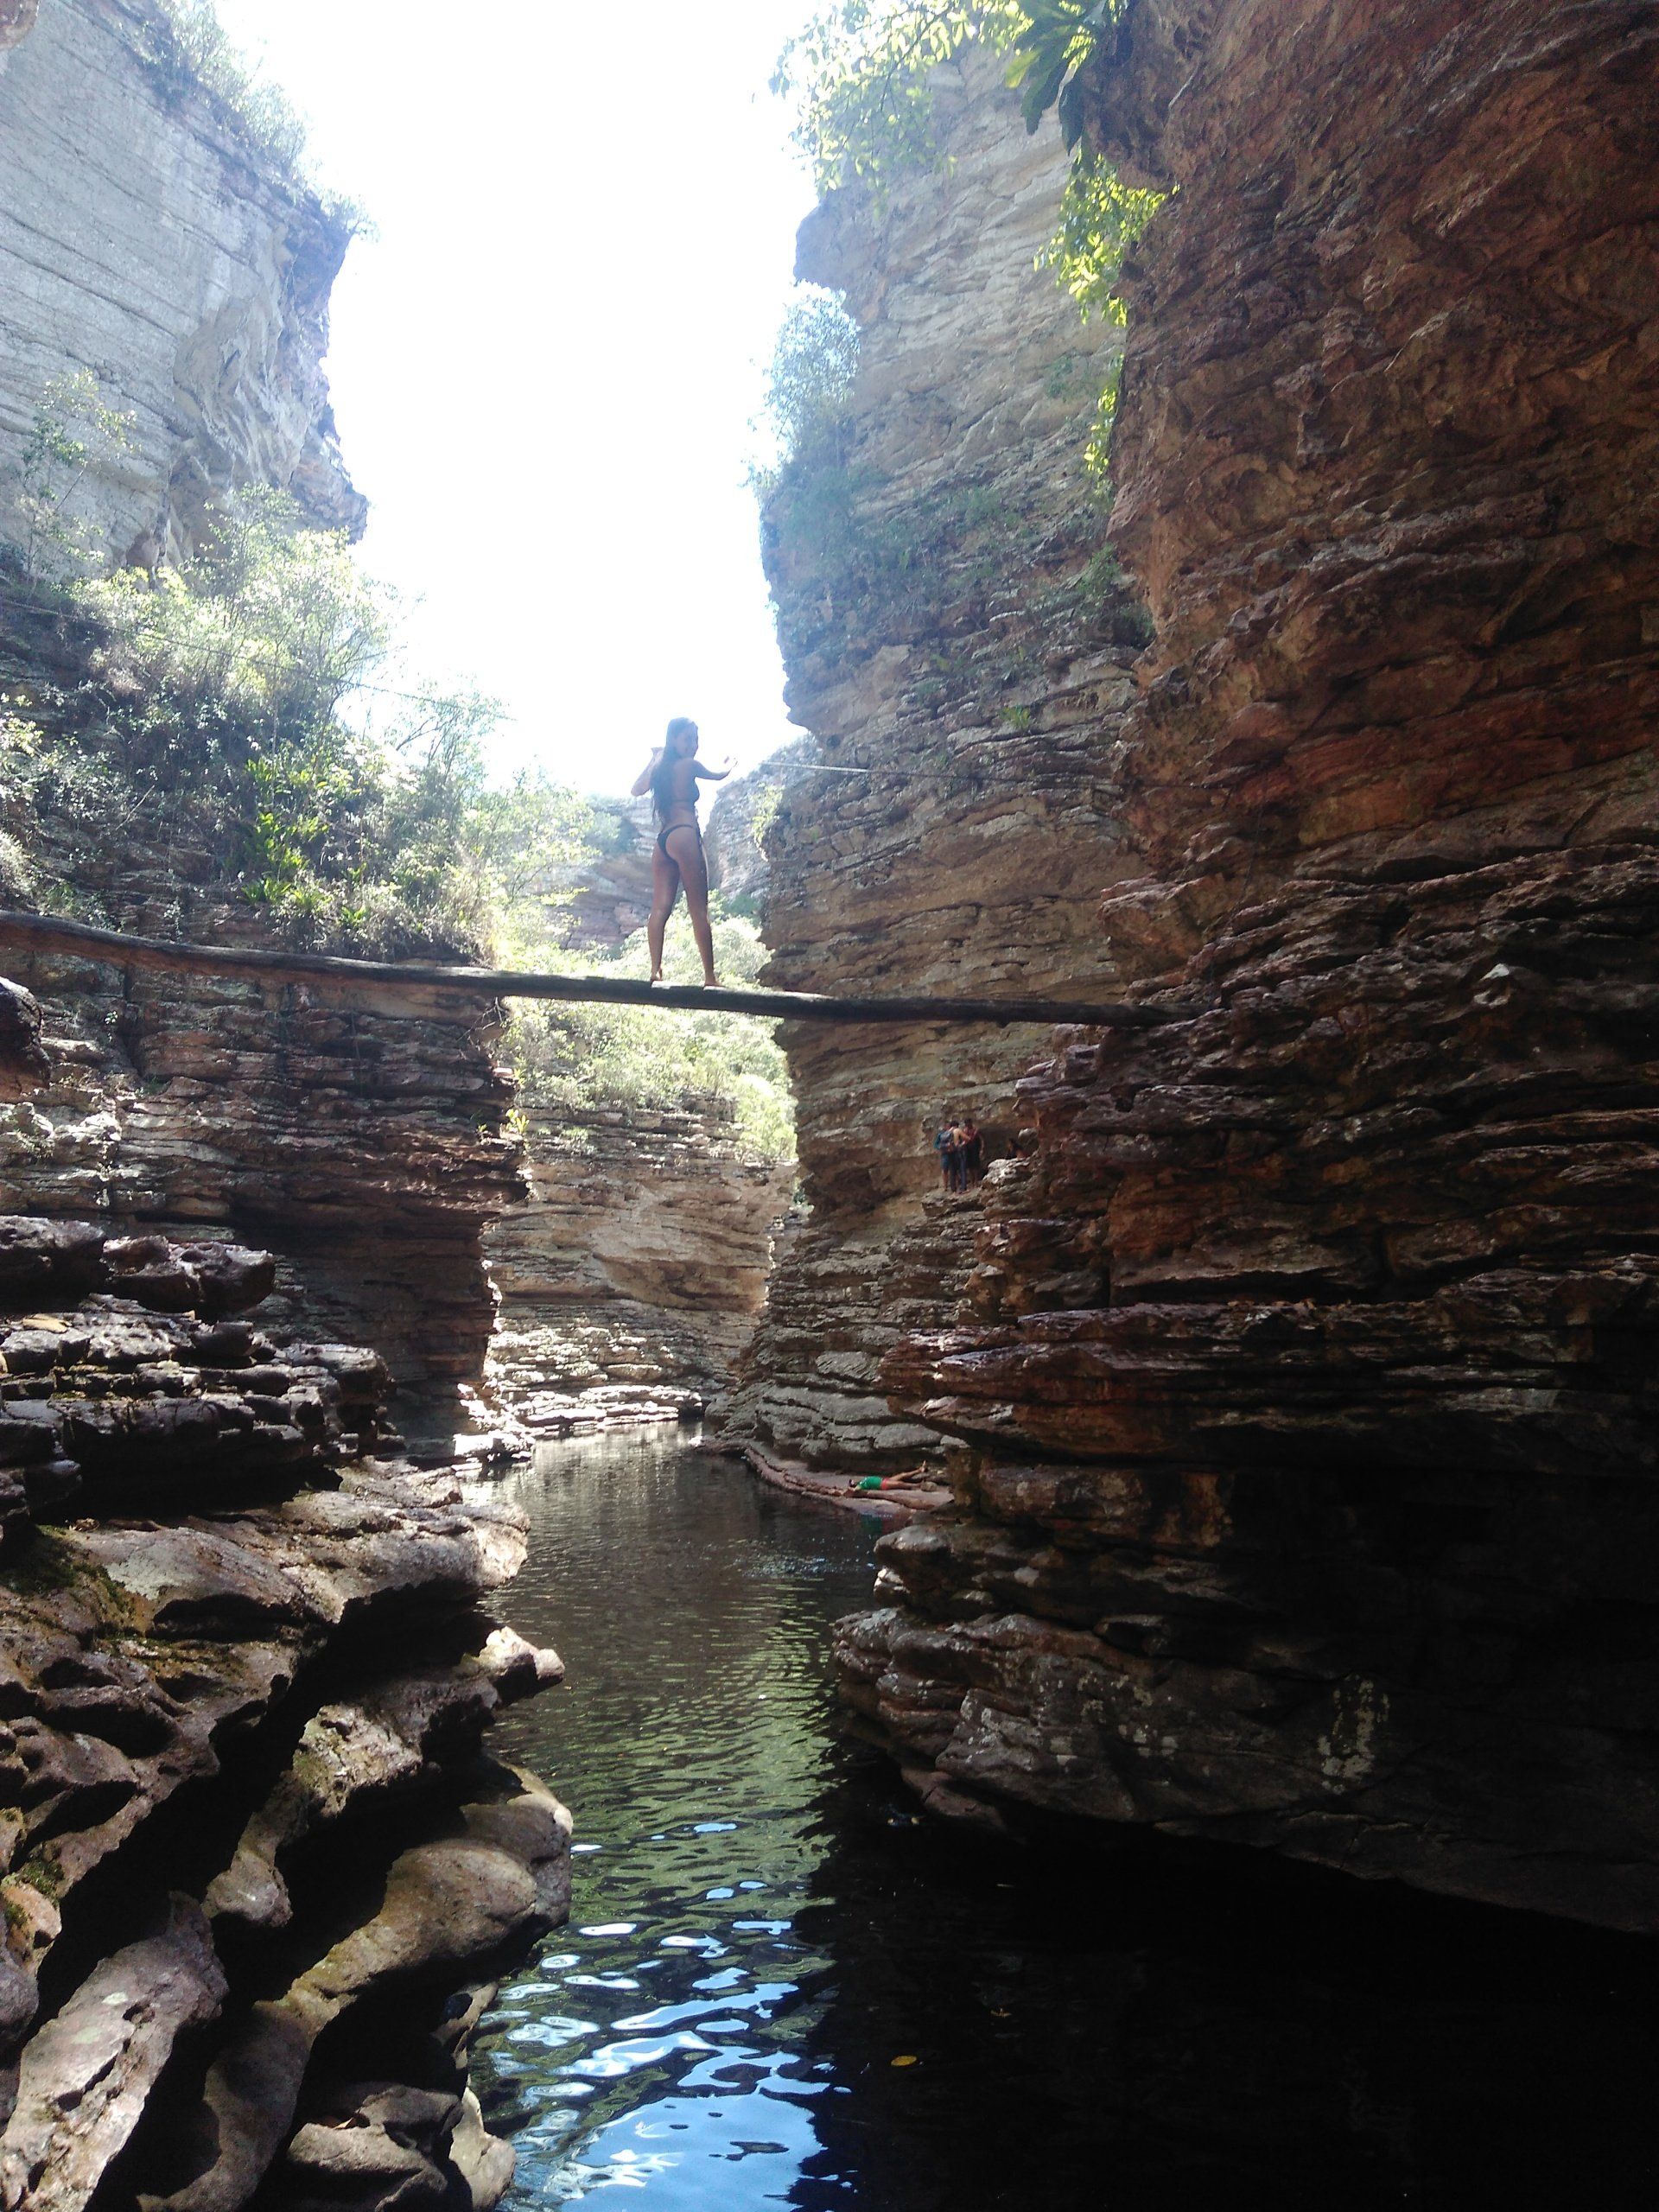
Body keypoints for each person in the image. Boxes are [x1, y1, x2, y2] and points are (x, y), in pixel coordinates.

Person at [632, 717, 733, 986]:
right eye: (688, 739)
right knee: (699, 910)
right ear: (673, 740)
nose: (693, 745)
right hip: (685, 835)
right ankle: (710, 977)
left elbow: (636, 789)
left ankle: (655, 970)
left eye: (696, 740)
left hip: (663, 842)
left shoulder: (660, 771)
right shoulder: (688, 765)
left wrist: (655, 759)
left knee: (660, 908)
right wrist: (730, 762)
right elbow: (720, 774)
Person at [932, 1118, 958, 1192]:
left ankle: (956, 1184)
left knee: (955, 1169)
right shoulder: (941, 1135)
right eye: (946, 1126)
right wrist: (941, 1147)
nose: (948, 1127)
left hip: (953, 1153)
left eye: (949, 1126)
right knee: (945, 1170)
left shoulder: (953, 1133)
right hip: (945, 1154)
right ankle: (945, 1186)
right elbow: (936, 1144)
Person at [958, 1116, 984, 1187]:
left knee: (975, 1166)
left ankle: (976, 1181)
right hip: (967, 1149)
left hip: (975, 1149)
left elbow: (981, 1139)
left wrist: (982, 1149)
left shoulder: (975, 1130)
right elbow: (963, 1140)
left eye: (968, 1123)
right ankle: (972, 1182)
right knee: (969, 1166)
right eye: (966, 1124)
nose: (967, 1125)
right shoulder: (964, 1131)